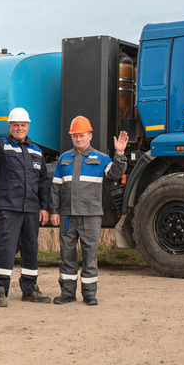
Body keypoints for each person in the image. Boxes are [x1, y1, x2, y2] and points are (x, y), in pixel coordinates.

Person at [49, 116, 128, 306]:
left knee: (89, 254)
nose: (78, 139)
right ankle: (67, 293)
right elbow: (55, 187)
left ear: (90, 136)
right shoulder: (64, 159)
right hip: (68, 215)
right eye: (74, 136)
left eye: (81, 135)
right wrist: (54, 211)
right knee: (67, 255)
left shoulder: (101, 159)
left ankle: (89, 294)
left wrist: (120, 154)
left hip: (90, 215)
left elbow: (115, 173)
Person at [0, 107, 51, 307]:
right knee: (6, 246)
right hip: (9, 207)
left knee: (31, 248)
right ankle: (0, 289)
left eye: (23, 125)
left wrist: (44, 207)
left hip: (31, 208)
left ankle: (30, 290)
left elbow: (43, 182)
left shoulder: (36, 150)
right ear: (10, 126)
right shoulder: (1, 145)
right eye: (16, 125)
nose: (19, 128)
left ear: (28, 126)